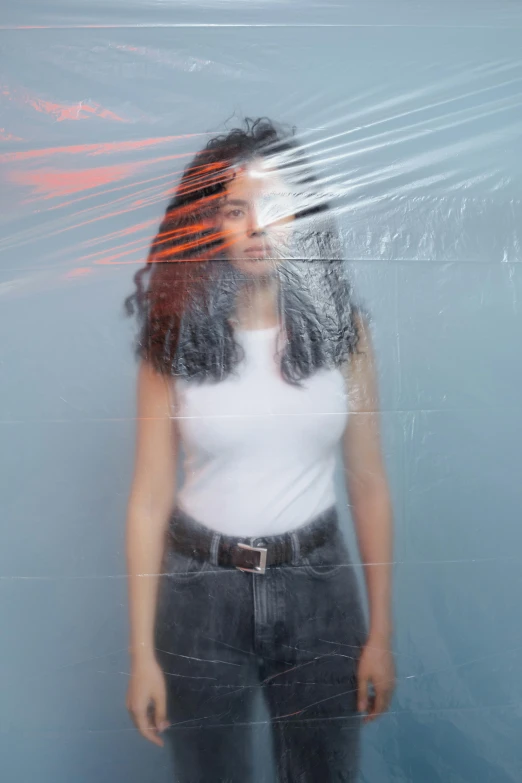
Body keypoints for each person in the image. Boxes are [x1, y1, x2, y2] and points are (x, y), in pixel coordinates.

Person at [124, 117, 395, 782]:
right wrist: (141, 654)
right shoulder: (175, 338)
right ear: (207, 224)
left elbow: (369, 483)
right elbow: (149, 497)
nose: (256, 228)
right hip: (200, 589)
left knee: (323, 773)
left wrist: (381, 634)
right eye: (234, 210)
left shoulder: (343, 332)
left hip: (319, 586)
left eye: (273, 208)